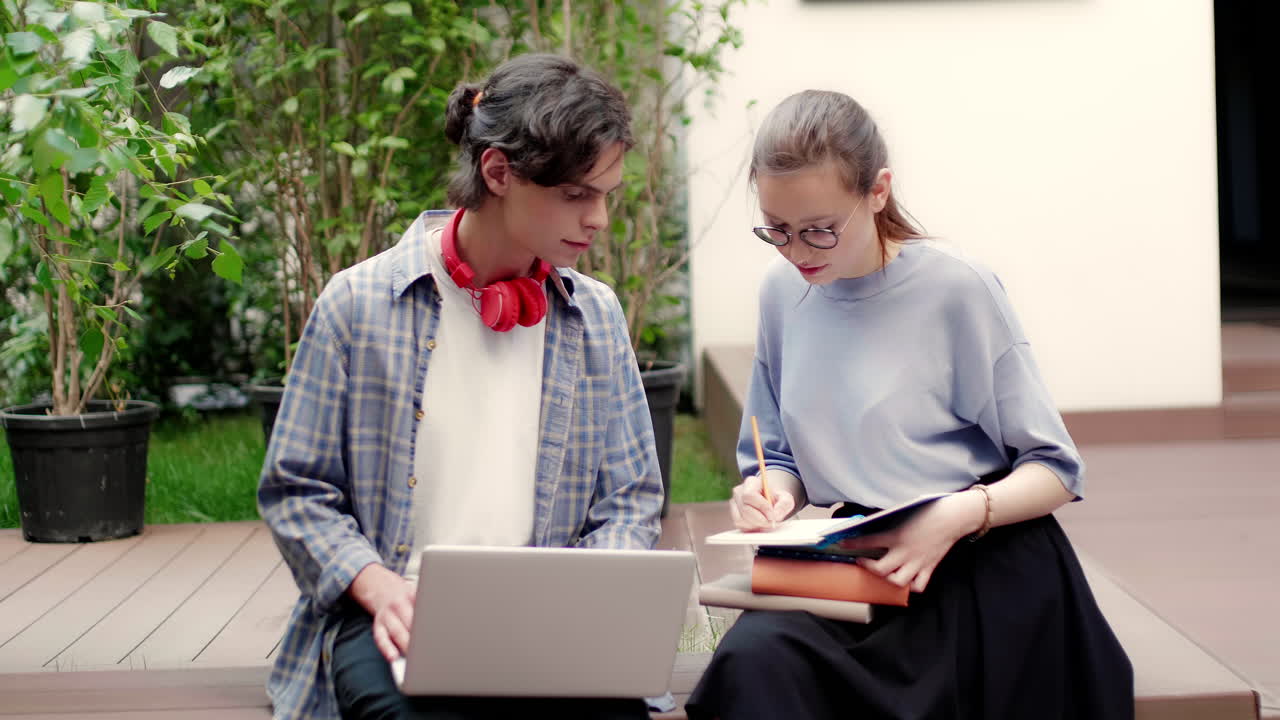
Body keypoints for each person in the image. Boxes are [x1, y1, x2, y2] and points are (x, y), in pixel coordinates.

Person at [684, 90, 1134, 720]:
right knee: (753, 664)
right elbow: (778, 455)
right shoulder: (782, 293)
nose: (798, 251)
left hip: (979, 557)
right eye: (777, 229)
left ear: (878, 191)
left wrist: (954, 516)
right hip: (854, 566)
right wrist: (771, 493)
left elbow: (1056, 470)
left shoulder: (958, 289)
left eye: (819, 229)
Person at [257, 53, 663, 720]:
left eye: (606, 195)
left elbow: (631, 498)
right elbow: (297, 491)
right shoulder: (357, 305)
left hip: (551, 620)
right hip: (397, 610)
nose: (598, 219)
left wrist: (584, 600)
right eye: (575, 195)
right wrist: (376, 585)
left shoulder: (596, 316)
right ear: (497, 172)